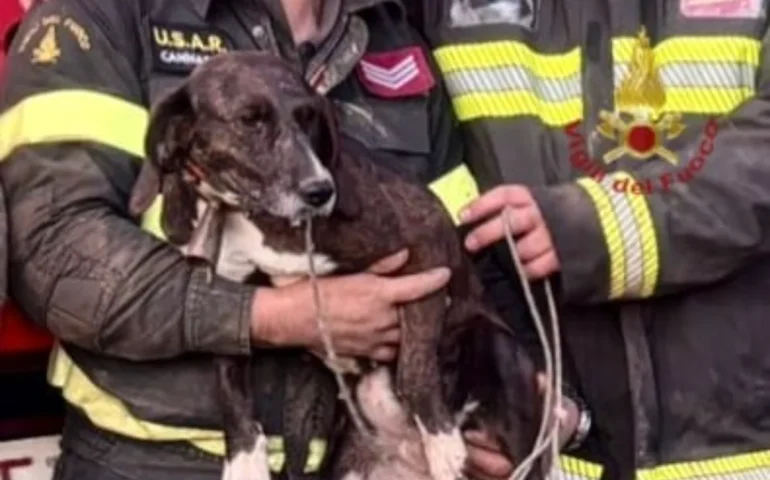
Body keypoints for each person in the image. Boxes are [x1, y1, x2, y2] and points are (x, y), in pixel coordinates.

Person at [0, 0, 481, 478]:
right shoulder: (104, 16)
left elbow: (461, 261)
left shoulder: (394, 36)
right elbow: (54, 249)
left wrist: (508, 415)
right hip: (155, 462)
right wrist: (268, 317)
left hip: (370, 457)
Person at [408, 0, 770, 479]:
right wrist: (498, 400)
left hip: (738, 447)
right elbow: (414, 192)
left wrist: (605, 225)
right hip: (537, 446)